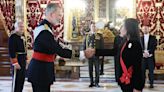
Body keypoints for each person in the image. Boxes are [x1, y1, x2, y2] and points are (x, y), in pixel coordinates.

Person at [27, 3, 94, 92]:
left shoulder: (46, 28)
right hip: (40, 71)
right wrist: (82, 54)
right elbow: (59, 50)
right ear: (51, 14)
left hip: (43, 69)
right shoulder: (44, 31)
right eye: (59, 15)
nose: (60, 18)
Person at [95, 18, 144, 92]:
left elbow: (138, 67)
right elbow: (114, 52)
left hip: (132, 82)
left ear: (129, 28)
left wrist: (138, 87)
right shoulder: (125, 42)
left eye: (123, 26)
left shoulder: (135, 44)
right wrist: (96, 51)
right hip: (124, 80)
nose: (121, 28)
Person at [83, 21, 104, 87]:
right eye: (92, 26)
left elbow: (102, 46)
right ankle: (91, 82)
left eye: (94, 26)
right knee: (90, 69)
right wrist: (84, 54)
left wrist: (101, 54)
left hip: (97, 54)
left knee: (97, 70)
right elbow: (84, 45)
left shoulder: (99, 35)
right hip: (89, 55)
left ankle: (97, 82)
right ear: (90, 27)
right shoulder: (87, 36)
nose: (93, 28)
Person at [9, 20, 27, 92]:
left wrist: (26, 59)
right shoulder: (13, 37)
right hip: (17, 60)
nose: (22, 28)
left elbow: (24, 49)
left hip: (23, 60)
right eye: (20, 27)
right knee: (16, 80)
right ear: (16, 27)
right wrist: (15, 62)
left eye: (22, 27)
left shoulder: (22, 36)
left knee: (22, 79)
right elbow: (11, 51)